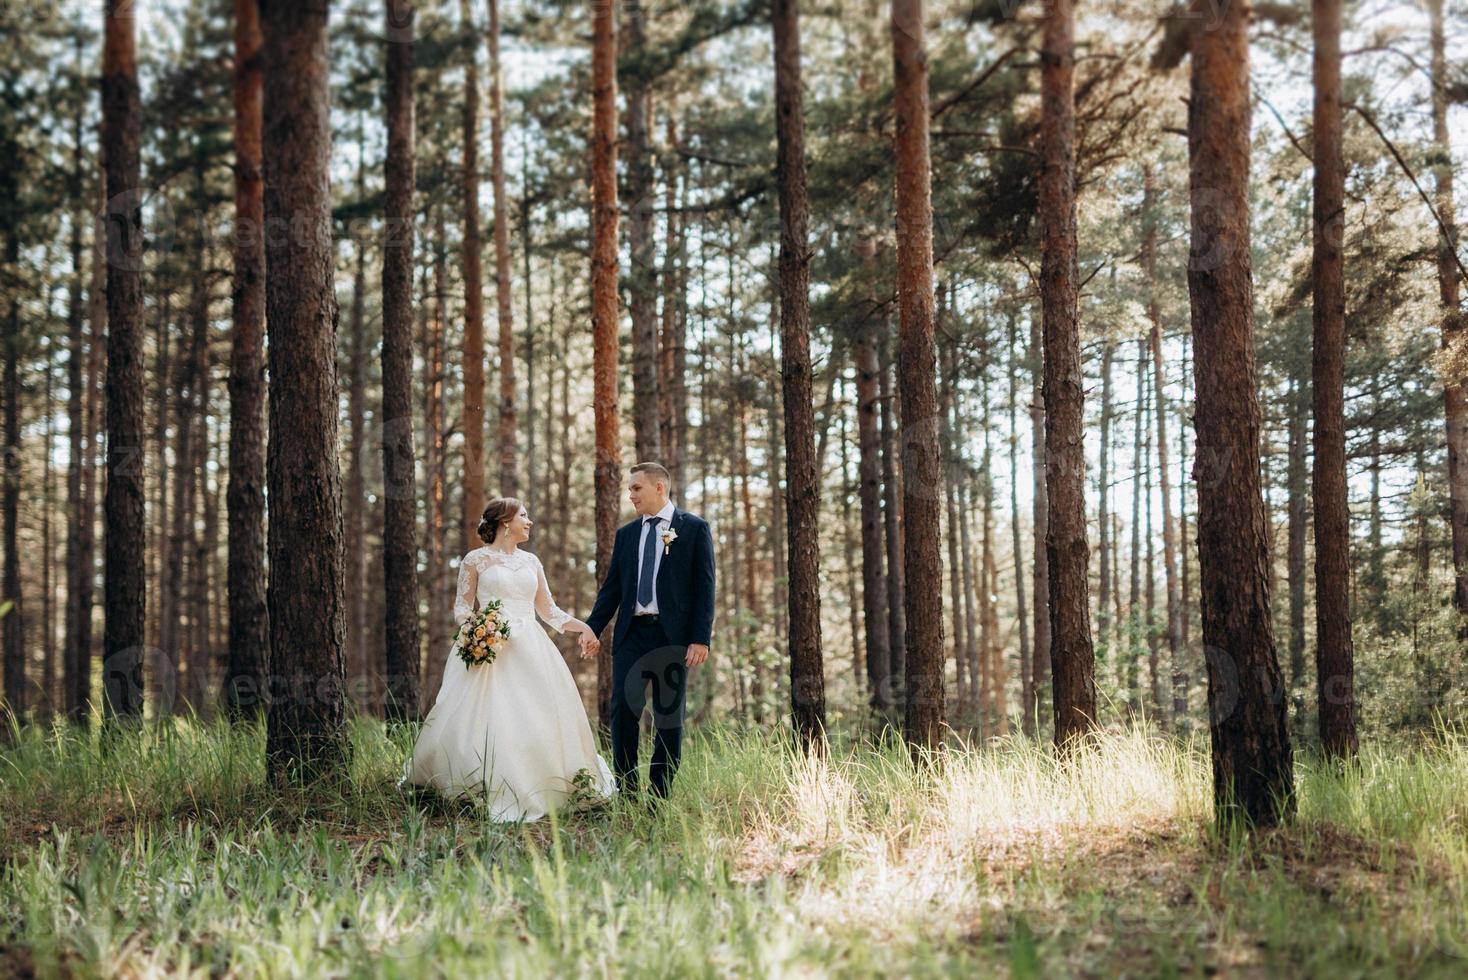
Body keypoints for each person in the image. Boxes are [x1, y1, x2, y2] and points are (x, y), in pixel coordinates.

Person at [401, 497, 615, 821]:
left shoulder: (532, 562)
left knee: (536, 714)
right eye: (524, 516)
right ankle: (475, 786)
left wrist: (583, 626)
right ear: (505, 522)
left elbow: (549, 611)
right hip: (490, 648)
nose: (529, 522)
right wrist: (477, 630)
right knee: (485, 715)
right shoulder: (475, 560)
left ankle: (546, 783)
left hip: (530, 646)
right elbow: (462, 607)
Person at [583, 461, 716, 800]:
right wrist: (593, 628)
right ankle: (626, 794)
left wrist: (700, 638)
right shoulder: (627, 535)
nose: (630, 495)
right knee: (623, 713)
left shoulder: (694, 528)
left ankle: (659, 797)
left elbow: (705, 587)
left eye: (636, 488)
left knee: (668, 719)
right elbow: (612, 589)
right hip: (631, 635)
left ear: (660, 487)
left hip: (672, 638)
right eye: (629, 489)